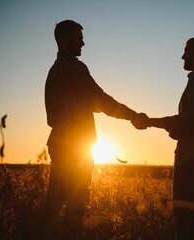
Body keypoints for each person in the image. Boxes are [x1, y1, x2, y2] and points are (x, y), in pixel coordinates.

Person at [44, 20, 146, 239]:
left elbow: (56, 115)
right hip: (75, 147)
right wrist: (132, 116)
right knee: (76, 206)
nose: (83, 42)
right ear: (63, 39)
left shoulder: (54, 71)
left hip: (61, 142)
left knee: (54, 204)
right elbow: (99, 99)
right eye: (78, 37)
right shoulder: (73, 67)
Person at [133, 36, 194, 240]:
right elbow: (192, 119)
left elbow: (189, 118)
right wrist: (177, 128)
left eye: (186, 50)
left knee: (185, 221)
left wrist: (152, 122)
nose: (182, 55)